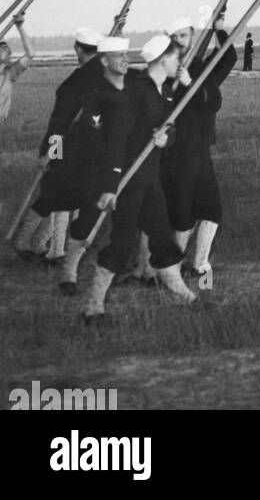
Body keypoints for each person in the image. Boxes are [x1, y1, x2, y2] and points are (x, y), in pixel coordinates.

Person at [78, 34, 197, 323]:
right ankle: (93, 307)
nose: (178, 65)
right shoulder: (135, 92)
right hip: (128, 181)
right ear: (163, 59)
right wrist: (110, 186)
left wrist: (164, 140)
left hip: (150, 179)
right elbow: (116, 139)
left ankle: (186, 296)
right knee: (122, 242)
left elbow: (172, 131)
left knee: (161, 236)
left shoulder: (165, 92)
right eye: (176, 59)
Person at [13, 27, 104, 263]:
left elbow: (60, 123)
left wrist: (50, 153)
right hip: (90, 150)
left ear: (77, 49)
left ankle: (36, 245)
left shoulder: (79, 78)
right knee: (60, 196)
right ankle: (38, 245)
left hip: (70, 147)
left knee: (56, 195)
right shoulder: (102, 73)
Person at [161, 17, 236, 284]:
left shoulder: (201, 68)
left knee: (210, 209)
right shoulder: (167, 69)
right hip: (177, 151)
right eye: (176, 37)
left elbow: (229, 59)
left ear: (192, 36)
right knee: (182, 212)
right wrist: (183, 79)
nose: (180, 41)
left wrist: (219, 29)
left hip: (200, 149)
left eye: (184, 36)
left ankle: (200, 265)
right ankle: (172, 267)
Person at [57, 35, 132, 297]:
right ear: (103, 60)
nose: (126, 59)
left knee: (130, 222)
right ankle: (69, 271)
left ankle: (126, 268)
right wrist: (111, 171)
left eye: (126, 54)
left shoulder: (134, 83)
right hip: (99, 168)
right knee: (88, 220)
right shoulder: (96, 94)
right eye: (119, 55)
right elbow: (95, 134)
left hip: (131, 163)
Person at [0, 13, 34, 123]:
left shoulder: (10, 73)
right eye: (1, 46)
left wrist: (20, 27)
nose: (4, 48)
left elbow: (30, 54)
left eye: (6, 47)